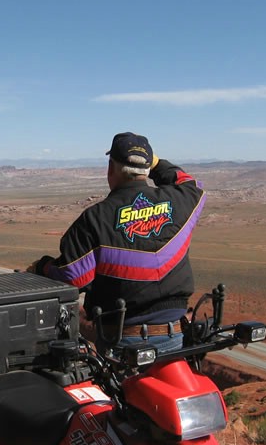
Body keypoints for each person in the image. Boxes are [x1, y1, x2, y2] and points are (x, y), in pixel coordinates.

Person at [30, 132, 206, 354]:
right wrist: (159, 164)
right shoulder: (181, 201)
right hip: (177, 336)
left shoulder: (94, 219)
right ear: (147, 169)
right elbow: (190, 183)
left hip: (125, 343)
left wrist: (42, 267)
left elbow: (72, 277)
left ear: (110, 168)